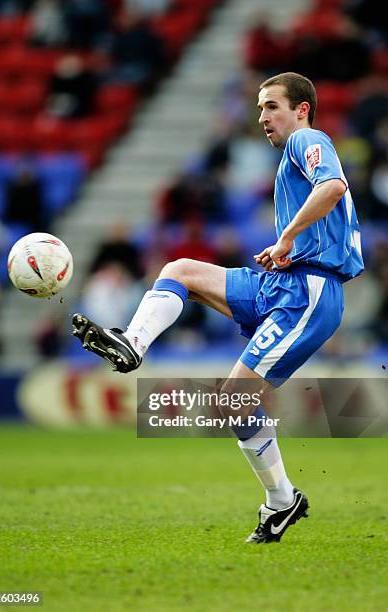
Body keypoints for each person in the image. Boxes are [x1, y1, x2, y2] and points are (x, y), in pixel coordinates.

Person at [72, 72, 364, 544]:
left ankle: (282, 502)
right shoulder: (295, 152)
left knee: (231, 401)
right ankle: (132, 342)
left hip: (309, 291)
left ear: (302, 109)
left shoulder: (308, 138)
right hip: (281, 282)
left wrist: (287, 237)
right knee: (181, 270)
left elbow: (331, 187)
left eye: (271, 106)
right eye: (259, 108)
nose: (263, 117)